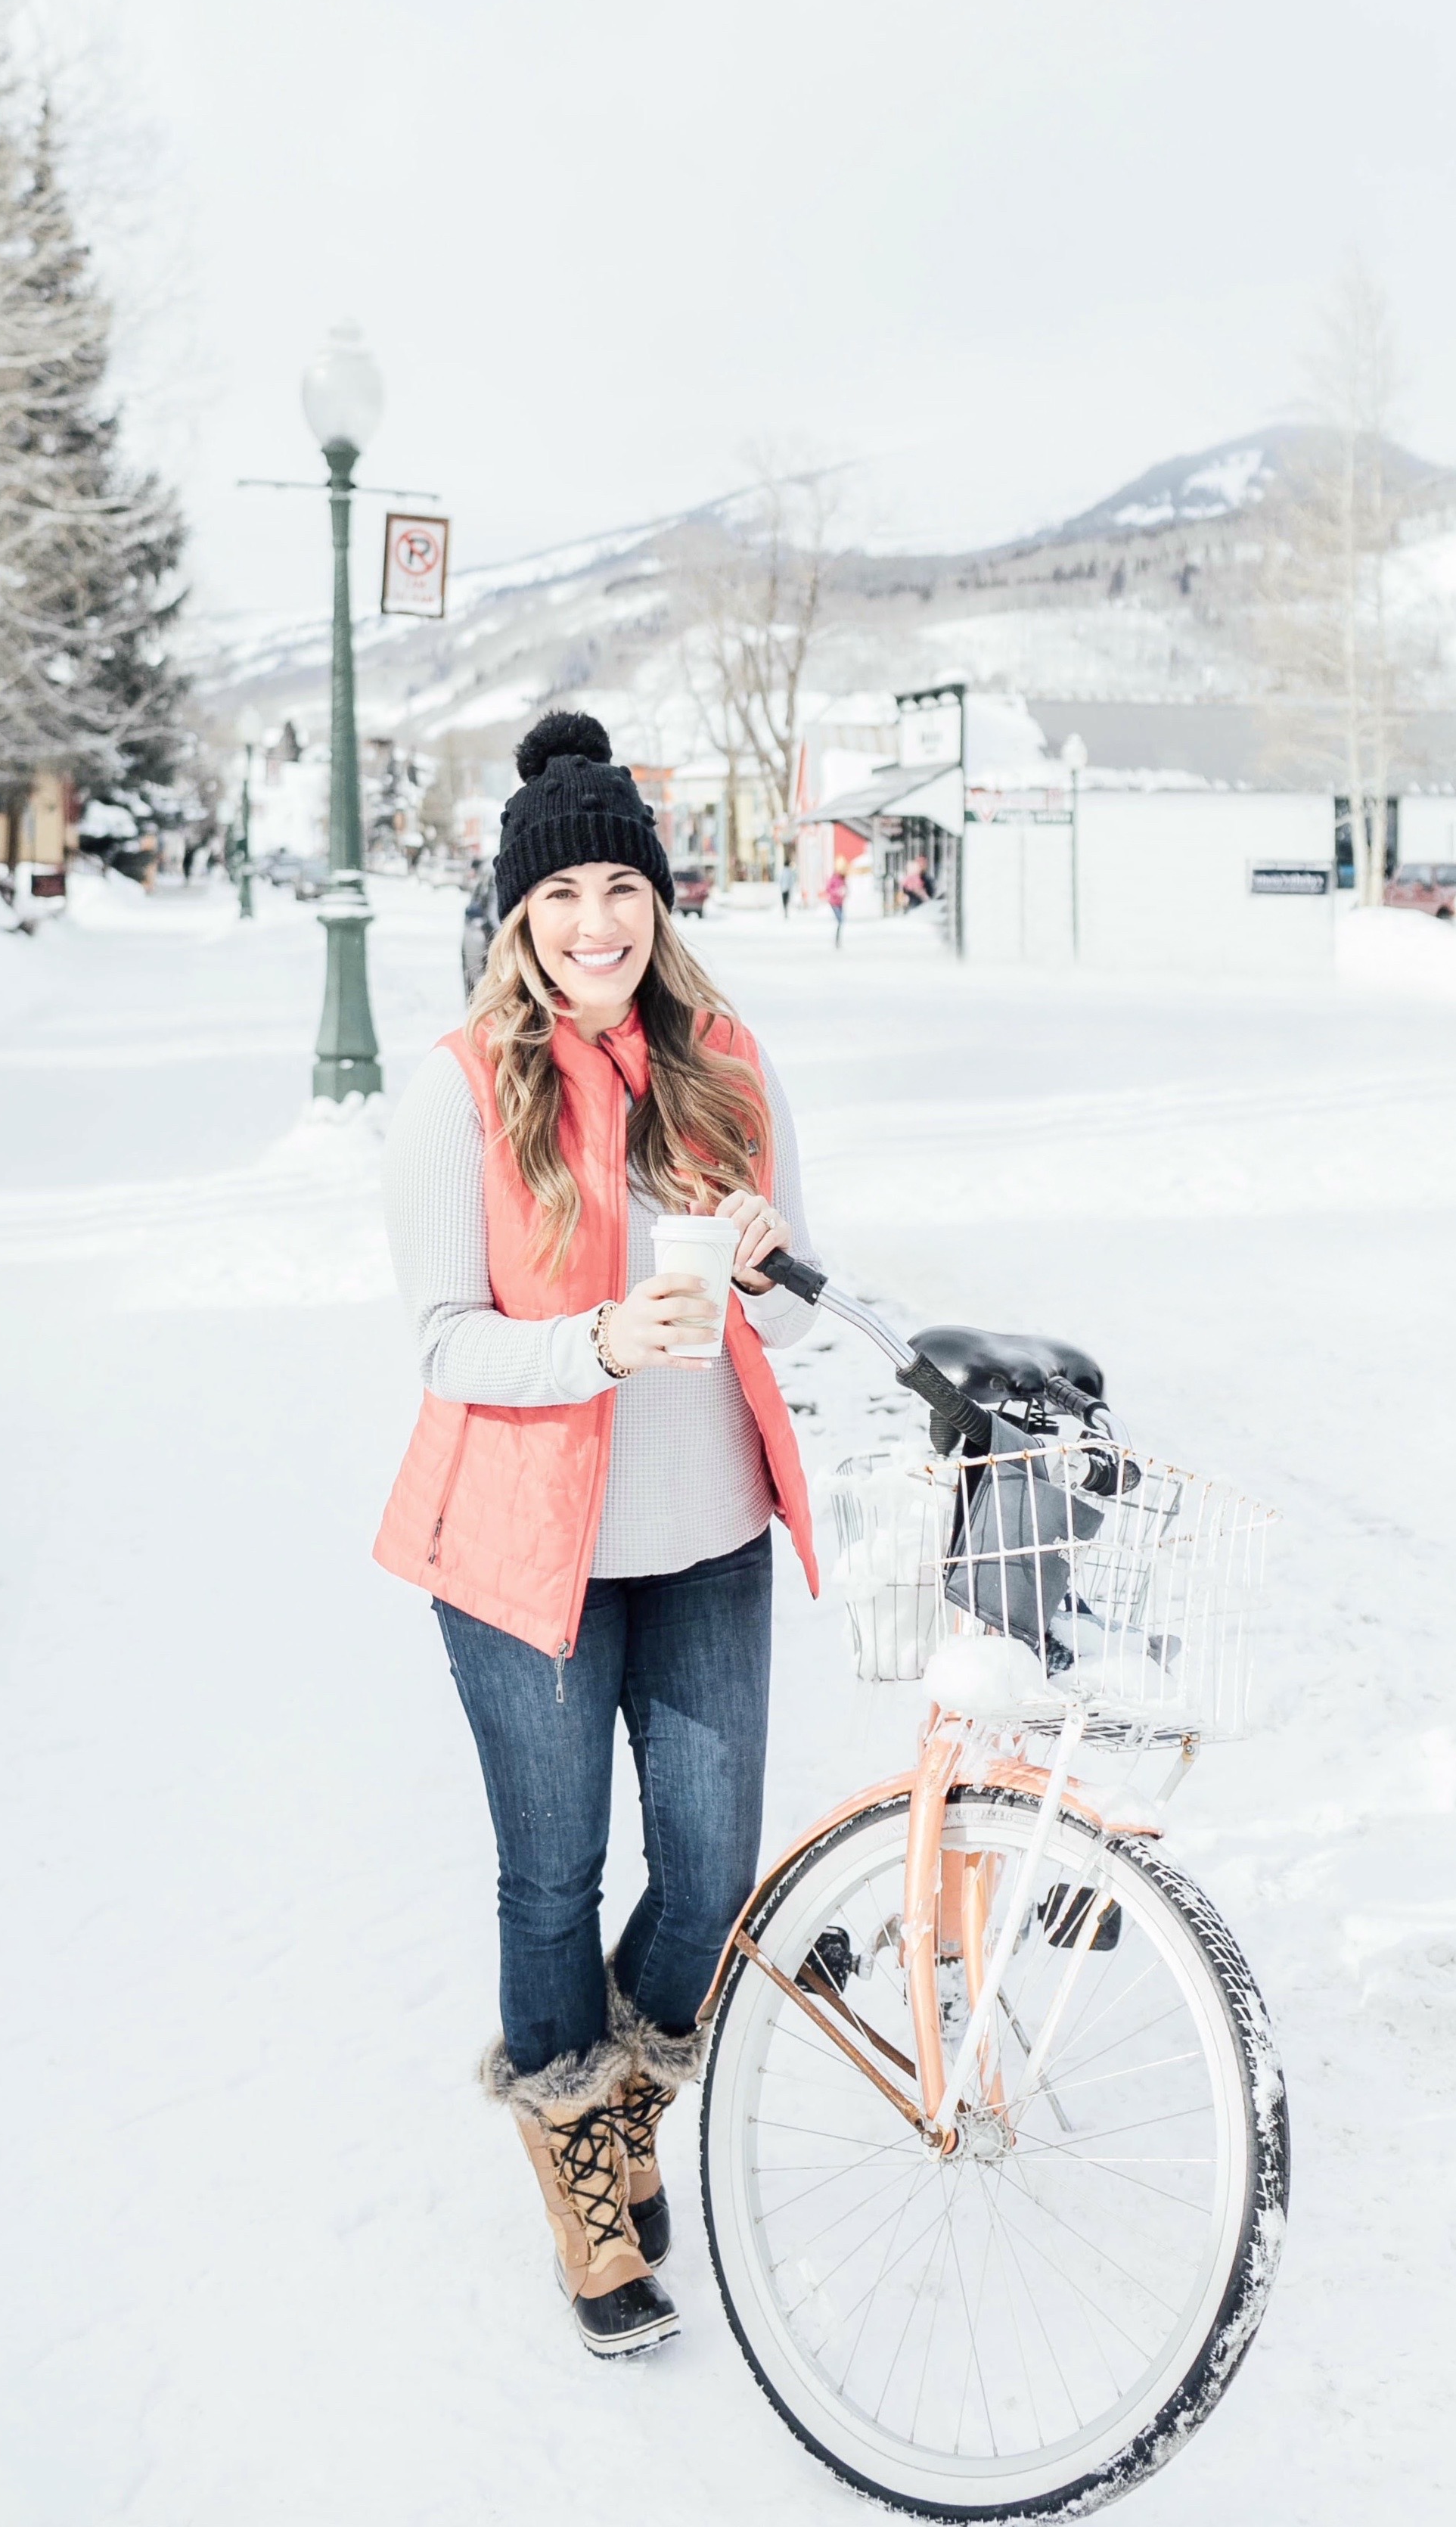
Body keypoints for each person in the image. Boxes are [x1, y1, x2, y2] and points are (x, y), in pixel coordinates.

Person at [377, 710, 820, 2361]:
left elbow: (790, 1271)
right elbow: (438, 1340)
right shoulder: (453, 1089)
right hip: (519, 1548)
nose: (594, 925)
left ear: (656, 897)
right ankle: (584, 2169)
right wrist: (592, 1349)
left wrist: (767, 1255)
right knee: (552, 1877)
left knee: (707, 1867)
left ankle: (612, 2103)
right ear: (516, 916)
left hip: (704, 1530)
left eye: (618, 887)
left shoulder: (726, 1056)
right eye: (559, 895)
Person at [822, 863, 847, 944]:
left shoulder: (843, 880)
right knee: (840, 920)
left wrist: (844, 892)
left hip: (840, 902)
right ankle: (837, 939)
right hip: (834, 902)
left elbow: (846, 889)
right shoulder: (833, 879)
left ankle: (838, 939)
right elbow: (828, 889)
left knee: (841, 920)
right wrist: (836, 892)